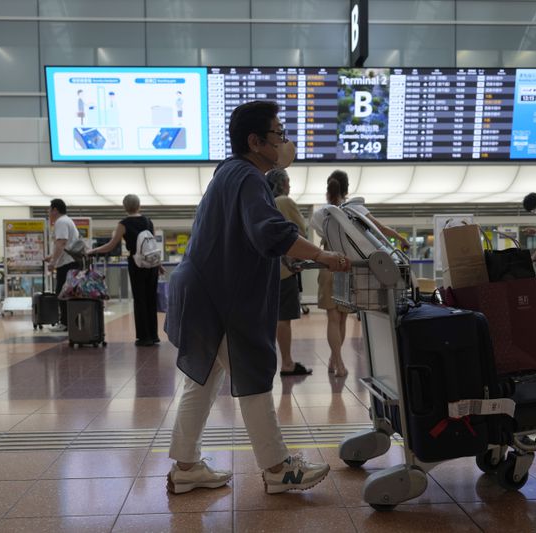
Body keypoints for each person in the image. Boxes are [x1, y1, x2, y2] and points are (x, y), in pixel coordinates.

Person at [164, 101, 350, 496]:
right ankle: (279, 468)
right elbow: (269, 231)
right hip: (222, 298)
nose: (286, 142)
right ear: (255, 141)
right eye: (279, 134)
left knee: (204, 380)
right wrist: (321, 255)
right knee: (253, 375)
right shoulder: (248, 177)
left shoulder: (228, 173)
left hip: (202, 292)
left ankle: (186, 467)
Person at [311, 170, 409, 378]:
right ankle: (337, 361)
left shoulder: (322, 214)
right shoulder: (355, 208)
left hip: (328, 266)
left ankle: (336, 361)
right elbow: (379, 229)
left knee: (332, 319)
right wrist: (401, 238)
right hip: (348, 267)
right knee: (343, 318)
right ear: (347, 189)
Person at [88, 194, 160, 346]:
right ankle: (154, 335)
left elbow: (111, 245)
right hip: (152, 265)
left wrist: (93, 251)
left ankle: (144, 337)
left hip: (136, 264)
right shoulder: (148, 221)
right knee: (151, 300)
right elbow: (151, 246)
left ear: (125, 207)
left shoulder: (124, 223)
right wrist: (158, 265)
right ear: (139, 205)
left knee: (140, 300)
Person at [267, 168, 312, 377]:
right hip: (284, 271)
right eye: (289, 181)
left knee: (274, 318)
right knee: (283, 318)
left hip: (267, 271)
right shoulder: (284, 201)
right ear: (283, 184)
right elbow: (300, 233)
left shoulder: (263, 202)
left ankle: (282, 361)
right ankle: (287, 362)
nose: (290, 186)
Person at [44, 198, 83, 332]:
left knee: (62, 292)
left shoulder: (61, 222)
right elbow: (65, 245)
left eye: (49, 209)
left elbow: (61, 243)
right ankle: (70, 322)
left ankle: (65, 323)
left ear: (55, 210)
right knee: (68, 292)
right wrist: (51, 257)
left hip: (67, 264)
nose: (48, 212)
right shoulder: (68, 220)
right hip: (71, 262)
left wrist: (53, 262)